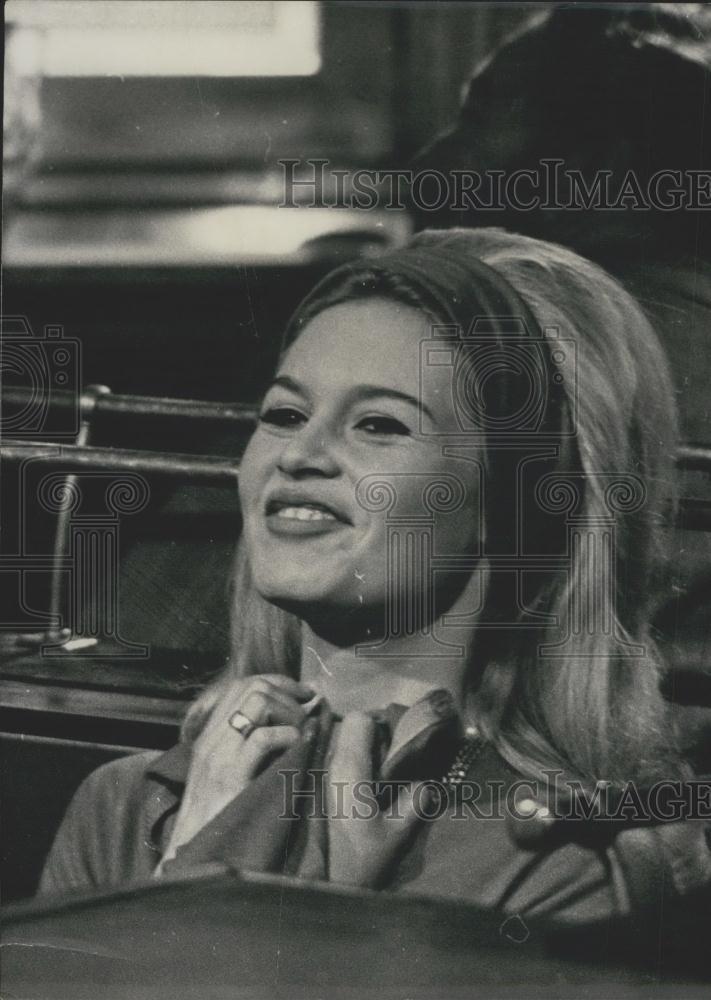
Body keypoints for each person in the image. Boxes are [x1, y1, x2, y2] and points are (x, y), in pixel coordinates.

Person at [39, 228, 711, 921]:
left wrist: (328, 917)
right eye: (284, 413)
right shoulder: (122, 806)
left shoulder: (565, 858)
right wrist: (198, 851)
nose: (300, 453)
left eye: (379, 425)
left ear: (513, 502)